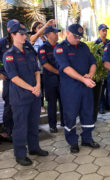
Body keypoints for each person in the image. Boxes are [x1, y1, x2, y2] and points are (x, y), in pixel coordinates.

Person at [3, 22, 49, 166]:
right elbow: (14, 78)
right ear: (13, 35)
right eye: (21, 34)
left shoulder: (29, 51)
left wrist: (38, 86)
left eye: (25, 34)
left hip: (34, 95)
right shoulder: (9, 55)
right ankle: (20, 154)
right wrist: (32, 88)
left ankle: (34, 148)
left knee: (33, 124)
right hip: (21, 97)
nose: (24, 37)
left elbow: (36, 70)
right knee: (20, 127)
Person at [54, 24, 100, 153]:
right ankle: (72, 142)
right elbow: (66, 68)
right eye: (76, 36)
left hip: (85, 87)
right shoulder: (60, 49)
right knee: (71, 115)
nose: (78, 39)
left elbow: (93, 63)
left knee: (87, 113)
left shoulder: (83, 47)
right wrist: (83, 79)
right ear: (67, 33)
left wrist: (90, 75)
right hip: (70, 89)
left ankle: (87, 138)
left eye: (80, 37)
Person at [37, 26, 64, 133]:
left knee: (64, 102)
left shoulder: (61, 46)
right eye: (54, 33)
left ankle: (64, 122)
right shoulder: (43, 48)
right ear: (47, 35)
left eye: (57, 33)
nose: (57, 34)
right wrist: (59, 72)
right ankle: (52, 126)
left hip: (63, 80)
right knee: (52, 104)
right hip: (50, 81)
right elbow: (45, 64)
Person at [30, 19, 55, 113]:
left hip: (49, 65)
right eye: (39, 27)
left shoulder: (46, 37)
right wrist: (46, 24)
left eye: (42, 27)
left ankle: (48, 103)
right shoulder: (34, 38)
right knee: (39, 85)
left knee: (47, 86)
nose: (42, 29)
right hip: (38, 66)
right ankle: (40, 105)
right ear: (34, 29)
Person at [0, 19, 19, 142]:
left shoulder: (22, 41)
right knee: (9, 105)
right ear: (8, 30)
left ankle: (21, 129)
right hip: (8, 78)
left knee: (20, 105)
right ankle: (7, 131)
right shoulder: (2, 42)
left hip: (21, 80)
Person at [95, 24, 110, 116]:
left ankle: (108, 105)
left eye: (106, 30)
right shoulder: (96, 43)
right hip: (100, 70)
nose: (105, 32)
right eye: (103, 30)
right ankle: (101, 106)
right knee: (101, 89)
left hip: (109, 69)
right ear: (99, 31)